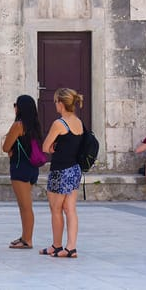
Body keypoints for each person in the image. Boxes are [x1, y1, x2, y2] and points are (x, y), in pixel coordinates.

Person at [40, 88, 84, 258]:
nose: (55, 105)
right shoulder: (78, 122)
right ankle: (71, 247)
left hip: (60, 171)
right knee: (70, 209)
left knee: (56, 209)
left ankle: (57, 246)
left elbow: (45, 147)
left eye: (56, 102)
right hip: (74, 169)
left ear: (61, 103)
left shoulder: (59, 124)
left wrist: (54, 147)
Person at [1, 94, 43, 249]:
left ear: (19, 108)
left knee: (25, 206)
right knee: (26, 206)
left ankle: (27, 240)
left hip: (20, 168)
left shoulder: (18, 125)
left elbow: (6, 147)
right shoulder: (35, 125)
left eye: (15, 104)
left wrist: (8, 146)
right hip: (32, 168)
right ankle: (25, 236)